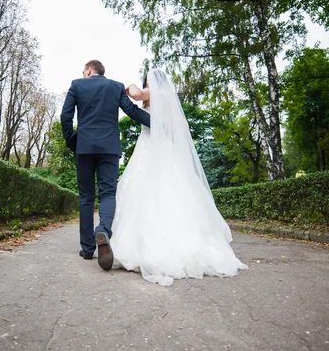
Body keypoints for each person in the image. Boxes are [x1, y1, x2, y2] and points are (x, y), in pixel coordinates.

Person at [110, 68, 247, 286]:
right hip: (166, 150)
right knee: (174, 192)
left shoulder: (151, 93)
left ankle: (141, 248)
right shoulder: (168, 100)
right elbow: (183, 126)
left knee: (143, 190)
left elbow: (135, 94)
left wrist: (127, 86)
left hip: (149, 148)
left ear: (151, 82)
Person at [61, 60, 150, 271]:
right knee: (108, 193)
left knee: (86, 196)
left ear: (89, 70)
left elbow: (66, 116)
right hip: (110, 147)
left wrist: (71, 140)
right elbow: (133, 112)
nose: (83, 74)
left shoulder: (77, 85)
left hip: (84, 147)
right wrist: (160, 124)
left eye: (84, 71)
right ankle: (103, 230)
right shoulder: (116, 86)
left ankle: (87, 248)